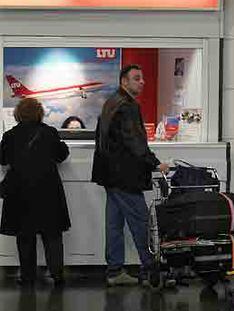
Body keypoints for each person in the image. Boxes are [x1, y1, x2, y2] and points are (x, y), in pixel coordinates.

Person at [91, 64, 168, 287]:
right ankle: (150, 272)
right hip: (125, 177)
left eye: (142, 78)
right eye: (136, 78)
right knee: (141, 222)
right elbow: (134, 142)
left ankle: (114, 271)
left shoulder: (111, 102)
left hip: (109, 176)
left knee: (114, 224)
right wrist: (156, 163)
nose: (142, 81)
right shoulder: (128, 106)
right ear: (124, 82)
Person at [0, 98, 70, 287]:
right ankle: (57, 274)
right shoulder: (49, 132)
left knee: (25, 236)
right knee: (52, 235)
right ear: (40, 112)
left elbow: (2, 160)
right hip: (48, 192)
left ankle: (27, 276)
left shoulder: (9, 135)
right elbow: (62, 154)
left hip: (20, 192)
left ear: (18, 114)